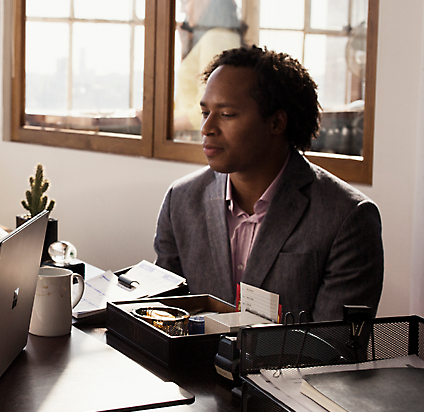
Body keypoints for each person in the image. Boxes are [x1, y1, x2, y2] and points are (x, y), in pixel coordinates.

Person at [153, 46, 384, 322]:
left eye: (226, 114)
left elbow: (335, 348)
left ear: (276, 122)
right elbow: (162, 316)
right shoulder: (181, 200)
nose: (207, 128)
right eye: (205, 113)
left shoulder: (347, 217)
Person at [172, 0, 244, 137]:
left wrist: (163, 126)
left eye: (186, 2)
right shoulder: (218, 36)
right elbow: (187, 97)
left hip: (197, 140)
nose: (183, 9)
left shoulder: (215, 38)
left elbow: (208, 107)